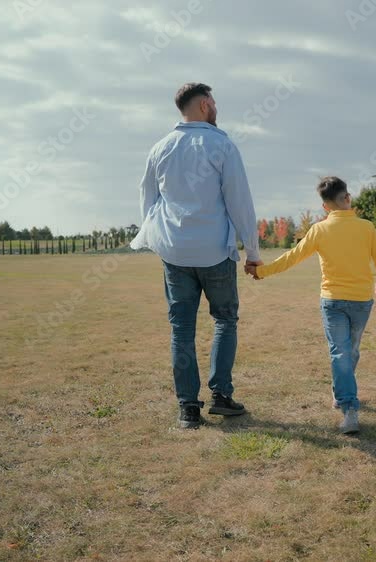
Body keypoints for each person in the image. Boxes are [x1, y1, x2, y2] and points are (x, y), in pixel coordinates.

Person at [131, 83, 262, 429]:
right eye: (214, 102)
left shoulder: (159, 148)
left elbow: (148, 201)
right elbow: (240, 202)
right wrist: (253, 250)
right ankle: (221, 396)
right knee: (224, 320)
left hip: (175, 253)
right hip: (215, 251)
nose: (216, 107)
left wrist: (159, 236)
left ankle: (188, 408)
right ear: (205, 105)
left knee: (182, 331)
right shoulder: (222, 144)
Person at [246, 177, 376, 434]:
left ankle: (341, 392)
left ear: (324, 207)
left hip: (334, 300)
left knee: (345, 352)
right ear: (348, 198)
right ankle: (349, 407)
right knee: (346, 352)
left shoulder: (320, 230)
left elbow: (292, 257)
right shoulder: (366, 227)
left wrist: (263, 271)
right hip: (359, 301)